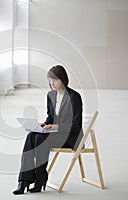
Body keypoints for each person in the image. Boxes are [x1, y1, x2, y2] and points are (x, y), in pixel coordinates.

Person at [13, 65, 83, 195]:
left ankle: (39, 180)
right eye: (50, 80)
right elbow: (51, 117)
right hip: (55, 134)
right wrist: (44, 125)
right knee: (31, 135)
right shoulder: (51, 95)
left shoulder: (74, 97)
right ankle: (24, 181)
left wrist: (57, 127)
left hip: (70, 137)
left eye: (55, 80)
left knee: (39, 138)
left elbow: (76, 125)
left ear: (63, 79)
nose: (52, 84)